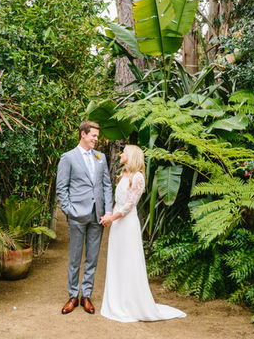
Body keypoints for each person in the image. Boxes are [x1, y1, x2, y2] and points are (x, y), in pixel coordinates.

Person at [100, 145, 186, 323]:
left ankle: (131, 304)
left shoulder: (138, 178)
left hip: (127, 225)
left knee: (129, 262)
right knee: (117, 261)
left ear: (131, 156)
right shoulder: (123, 175)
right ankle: (117, 301)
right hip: (117, 225)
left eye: (124, 152)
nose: (121, 154)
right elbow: (118, 202)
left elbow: (129, 205)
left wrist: (113, 218)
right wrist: (110, 217)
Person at [56, 120, 113, 315]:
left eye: (97, 136)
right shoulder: (68, 158)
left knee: (92, 257)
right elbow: (61, 188)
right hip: (77, 215)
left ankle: (86, 295)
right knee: (75, 257)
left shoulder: (101, 157)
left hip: (97, 216)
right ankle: (72, 295)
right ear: (83, 134)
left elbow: (106, 185)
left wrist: (108, 211)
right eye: (93, 136)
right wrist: (69, 210)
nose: (96, 139)